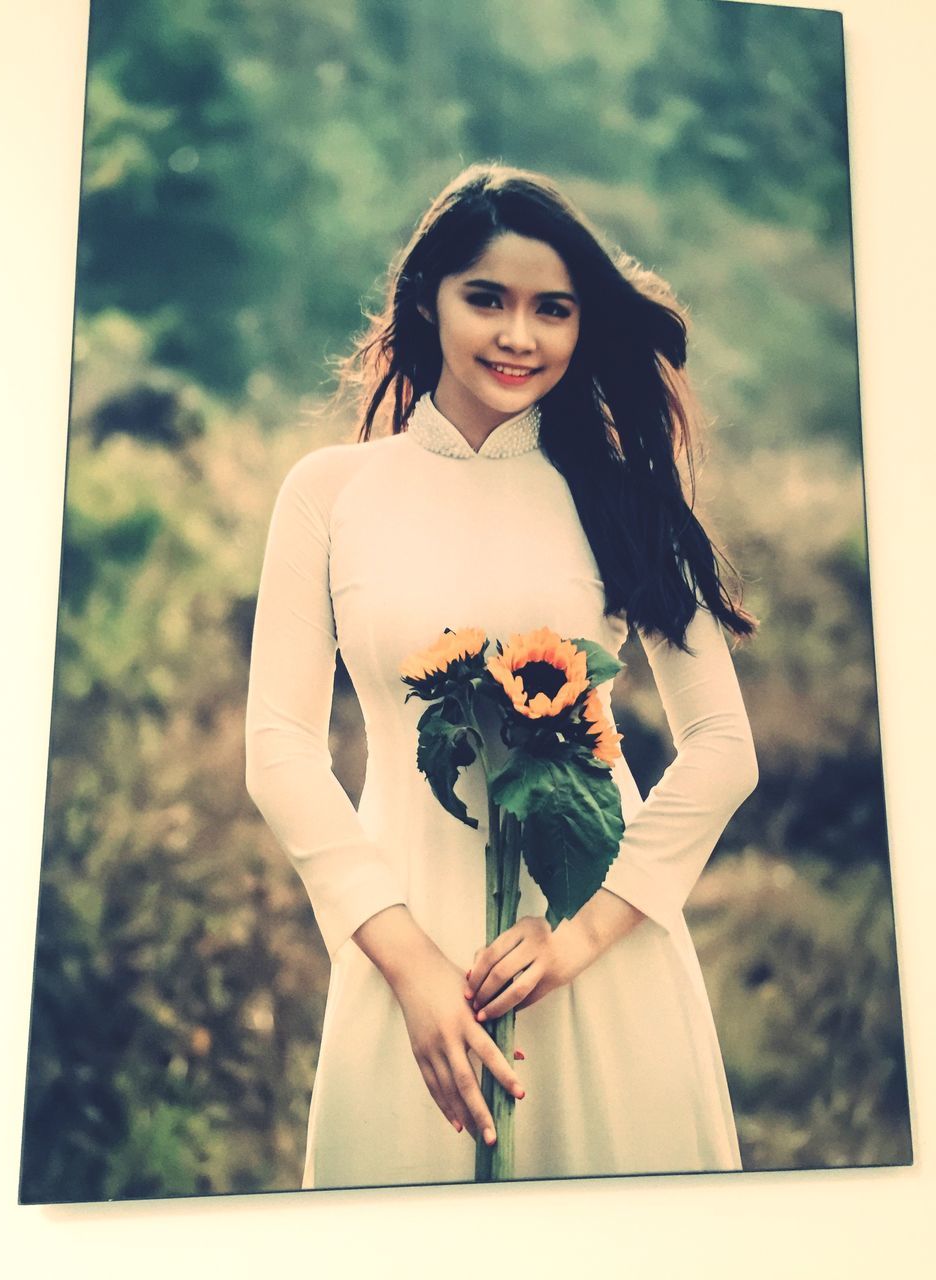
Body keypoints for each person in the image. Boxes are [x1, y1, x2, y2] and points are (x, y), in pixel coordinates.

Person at [245, 162, 759, 1191]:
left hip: (594, 947)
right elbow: (280, 748)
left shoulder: (618, 497)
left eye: (552, 309)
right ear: (428, 298)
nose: (518, 335)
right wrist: (407, 960)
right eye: (487, 298)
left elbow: (723, 750)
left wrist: (582, 932)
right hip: (402, 949)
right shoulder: (330, 494)